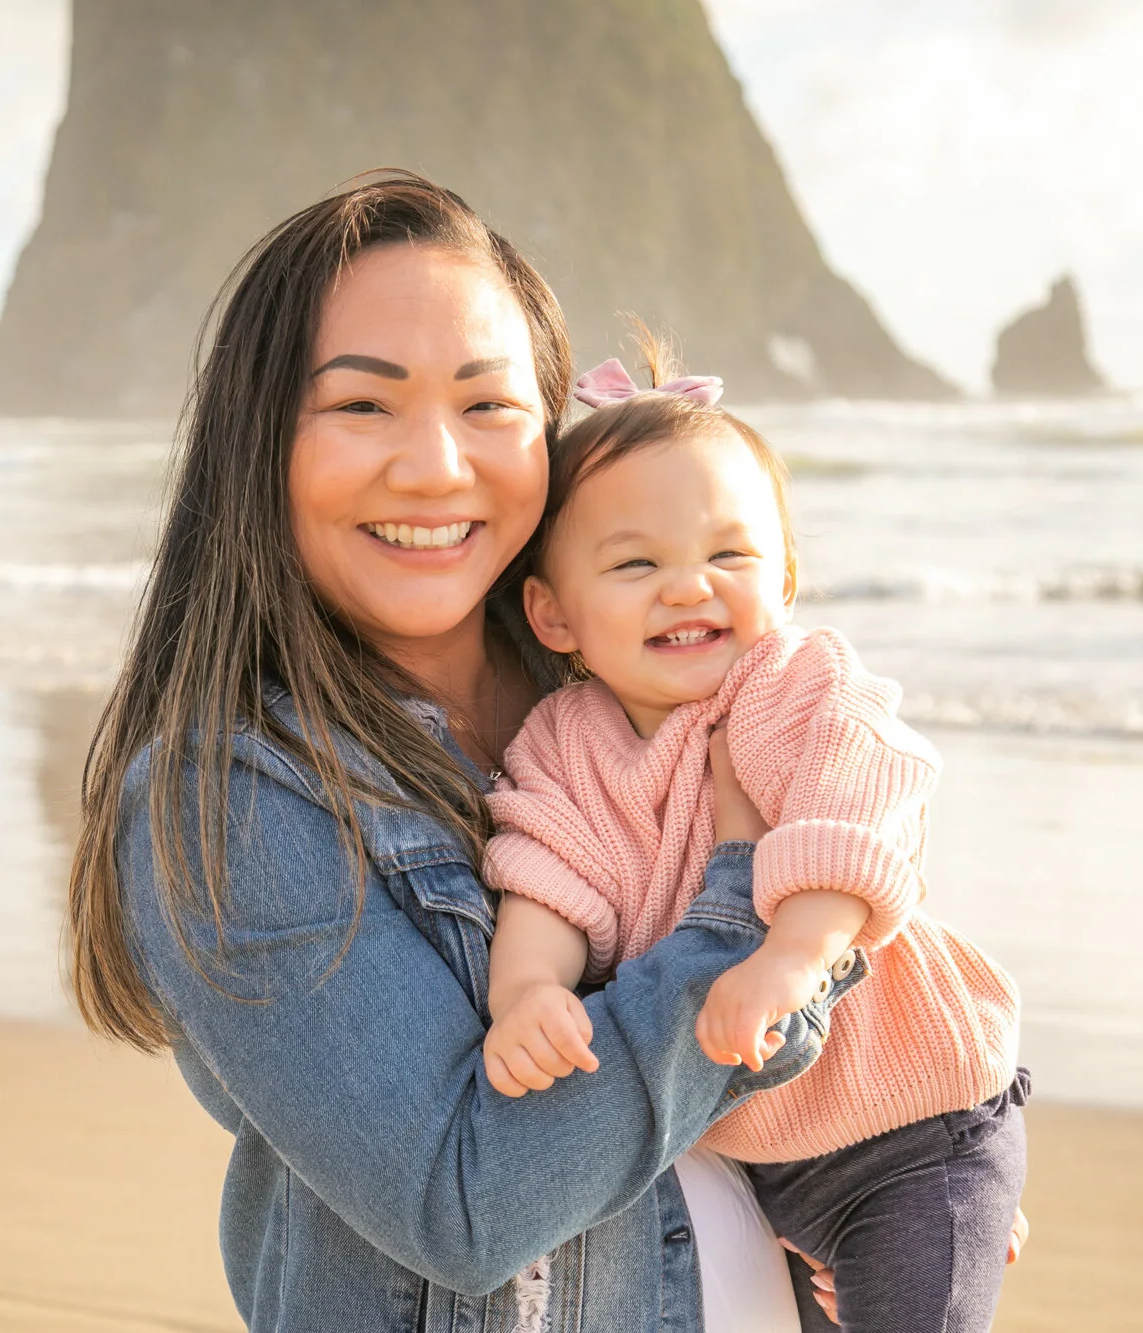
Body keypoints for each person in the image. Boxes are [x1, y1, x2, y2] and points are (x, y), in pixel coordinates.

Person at [64, 171, 858, 1332]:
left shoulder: (625, 685)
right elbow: (464, 1204)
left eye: (487, 406)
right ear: (259, 447)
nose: (436, 466)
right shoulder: (234, 797)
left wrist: (909, 1172)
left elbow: (850, 932)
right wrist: (738, 913)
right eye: (362, 406)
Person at [479, 340, 1029, 1331]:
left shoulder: (782, 684)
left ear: (781, 578)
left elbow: (853, 806)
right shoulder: (563, 745)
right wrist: (527, 991)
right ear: (552, 612)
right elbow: (544, 878)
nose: (688, 587)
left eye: (727, 555)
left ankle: (969, 1194)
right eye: (636, 562)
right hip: (764, 1163)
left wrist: (793, 950)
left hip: (909, 1125)